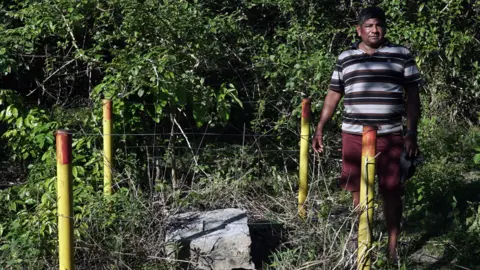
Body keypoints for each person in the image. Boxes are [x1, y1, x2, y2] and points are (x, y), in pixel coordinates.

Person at [311, 6, 423, 262]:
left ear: (384, 28)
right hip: (353, 135)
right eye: (369, 26)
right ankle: (362, 243)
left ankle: (393, 247)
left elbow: (413, 96)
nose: (375, 30)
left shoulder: (401, 55)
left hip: (391, 134)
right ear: (359, 30)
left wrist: (411, 132)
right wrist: (320, 127)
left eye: (379, 25)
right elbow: (333, 94)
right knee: (357, 191)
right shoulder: (346, 57)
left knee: (393, 189)